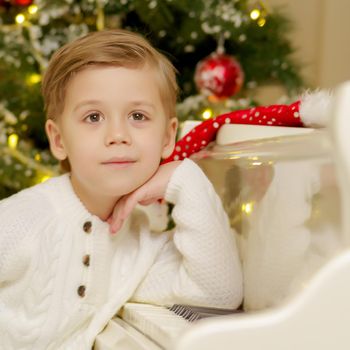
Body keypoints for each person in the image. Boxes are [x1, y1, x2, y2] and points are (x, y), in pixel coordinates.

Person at [0, 29, 242, 349]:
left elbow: (218, 294)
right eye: (93, 116)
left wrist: (185, 179)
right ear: (59, 140)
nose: (118, 134)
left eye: (138, 116)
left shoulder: (141, 242)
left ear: (168, 137)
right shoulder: (23, 219)